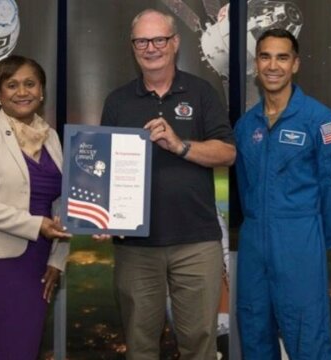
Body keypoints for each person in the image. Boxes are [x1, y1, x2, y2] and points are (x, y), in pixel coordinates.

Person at [99, 9, 236, 359]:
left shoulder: (201, 92)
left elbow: (227, 153)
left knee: (199, 343)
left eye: (159, 39)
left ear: (174, 43)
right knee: (141, 345)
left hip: (196, 242)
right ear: (133, 47)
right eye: (142, 41)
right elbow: (103, 165)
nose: (151, 48)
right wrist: (100, 214)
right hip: (136, 246)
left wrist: (180, 146)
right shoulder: (117, 101)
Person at [234, 29, 331, 359]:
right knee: (255, 333)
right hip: (255, 242)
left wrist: (320, 238)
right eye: (265, 56)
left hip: (300, 240)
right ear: (256, 63)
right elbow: (244, 186)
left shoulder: (320, 120)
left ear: (295, 64)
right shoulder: (246, 126)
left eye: (282, 57)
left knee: (307, 337)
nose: (273, 66)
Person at [0, 55, 71, 360]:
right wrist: (36, 225)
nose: (22, 92)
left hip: (38, 264)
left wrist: (58, 259)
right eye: (12, 85)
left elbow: (62, 203)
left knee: (22, 348)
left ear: (41, 91)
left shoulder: (53, 138)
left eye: (30, 84)